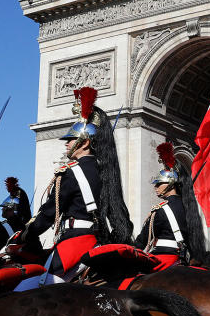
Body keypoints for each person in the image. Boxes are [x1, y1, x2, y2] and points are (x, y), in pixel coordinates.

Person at [16, 87, 131, 285]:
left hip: (75, 242)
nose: (66, 144)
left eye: (70, 139)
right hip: (96, 241)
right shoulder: (106, 173)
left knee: (26, 289)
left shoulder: (70, 172)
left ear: (85, 143)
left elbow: (48, 213)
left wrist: (26, 234)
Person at [134, 142, 206, 269]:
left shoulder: (160, 211)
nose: (155, 188)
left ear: (171, 184)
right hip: (181, 260)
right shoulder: (189, 209)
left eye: (158, 184)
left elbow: (142, 241)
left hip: (162, 258)